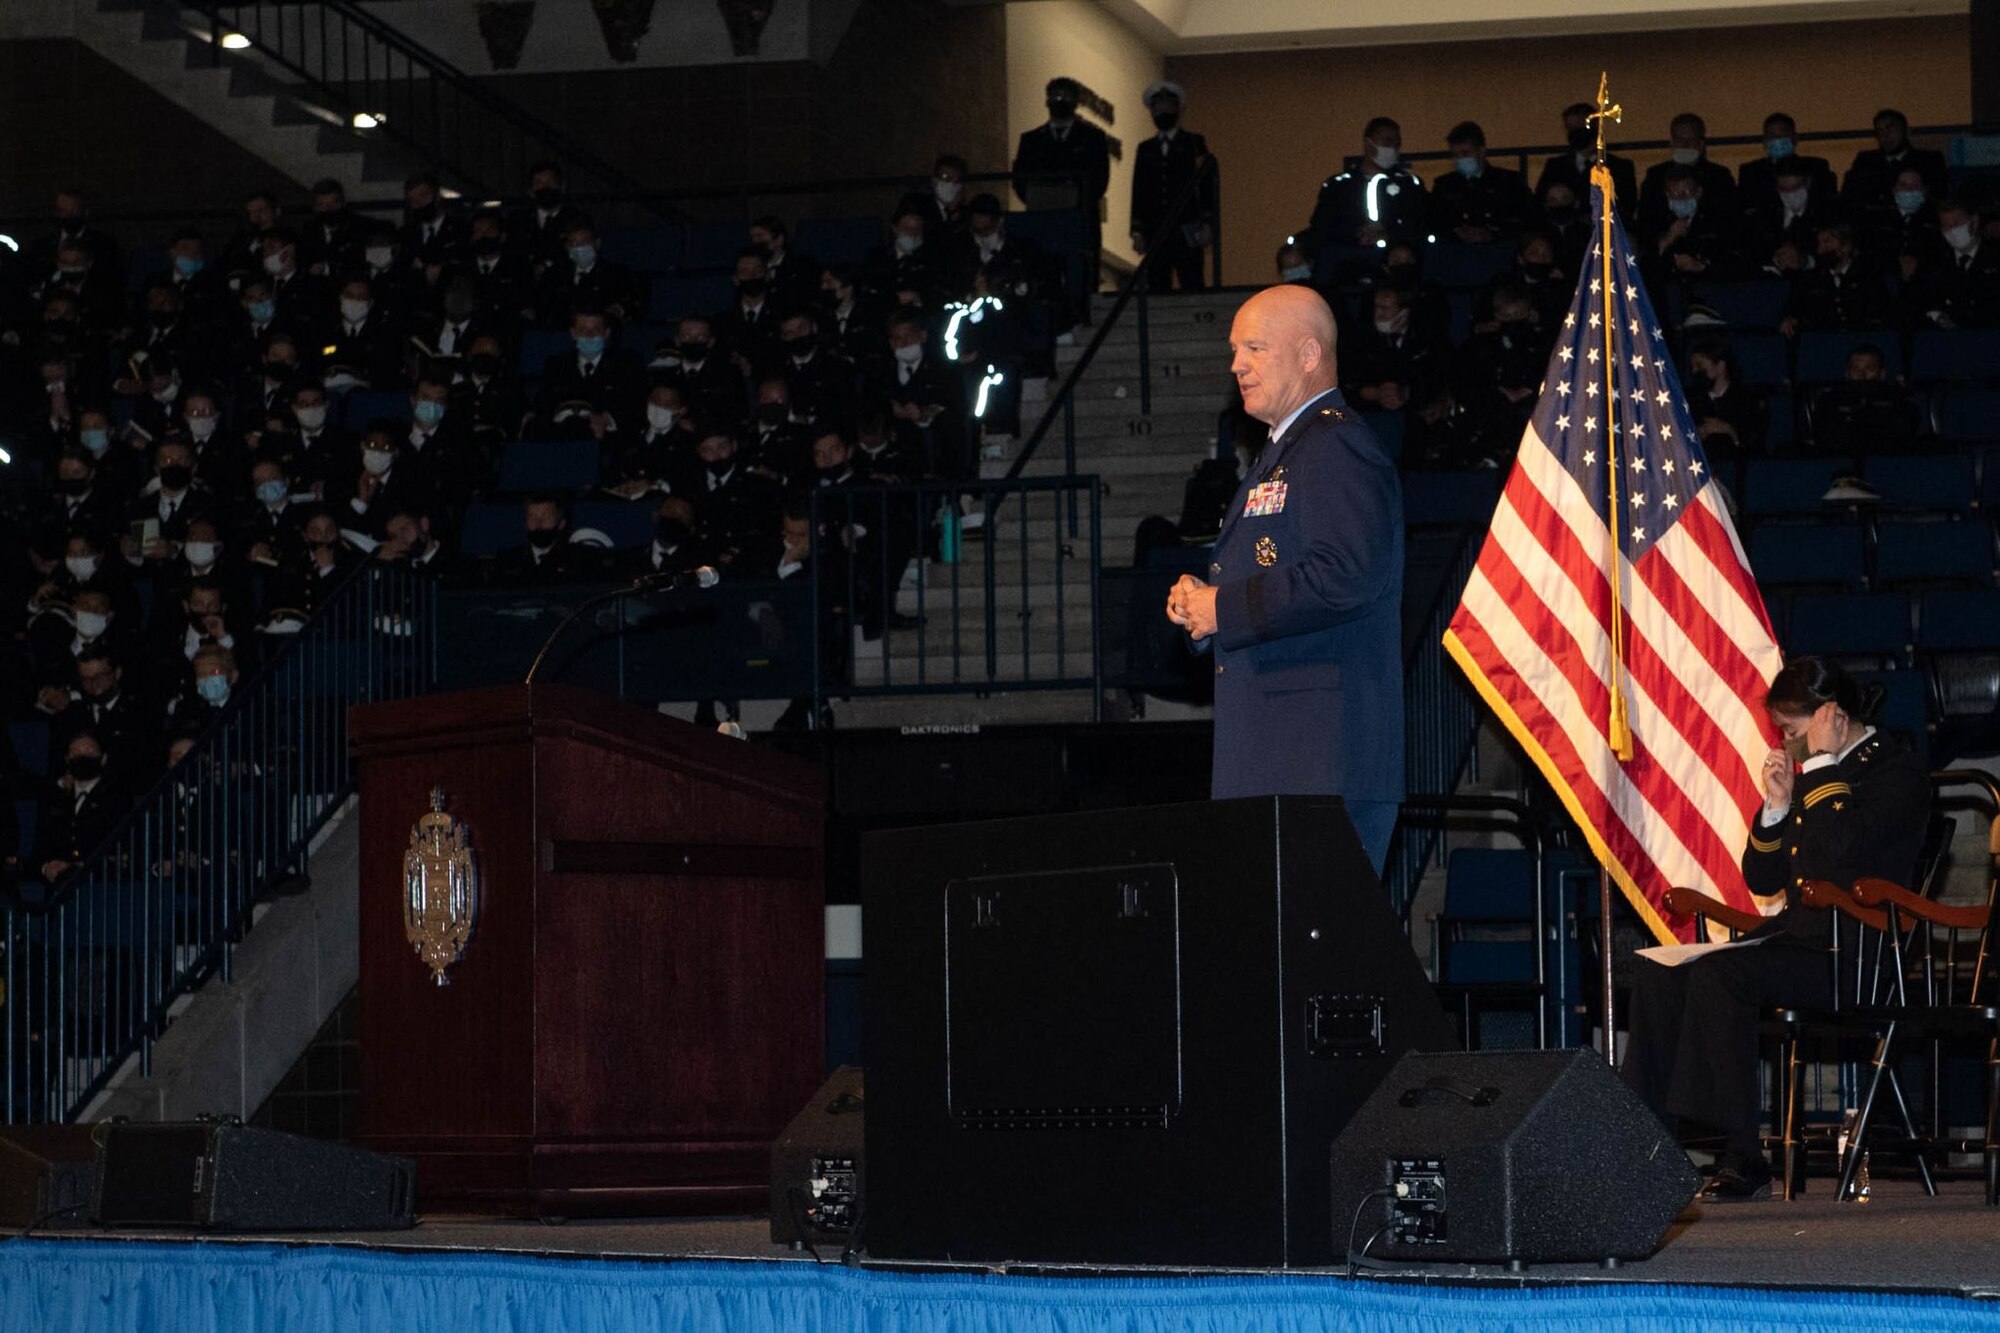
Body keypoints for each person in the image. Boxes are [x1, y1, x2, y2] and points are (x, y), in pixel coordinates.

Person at [1621, 657, 1928, 1202]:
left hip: (1855, 953)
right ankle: (1649, 1150)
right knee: (1657, 973)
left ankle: (1741, 1152)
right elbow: (1763, 876)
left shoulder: (1894, 771)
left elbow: (1839, 852)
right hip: (1800, 942)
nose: (1787, 742)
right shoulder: (1817, 773)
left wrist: (1826, 763)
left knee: (1722, 972)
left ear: (1828, 715)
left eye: (1791, 729)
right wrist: (1776, 806)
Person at [1164, 284, 1403, 873]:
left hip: (1319, 760)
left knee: (1322, 960)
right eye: (1235, 349)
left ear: (1308, 354)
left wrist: (1227, 608)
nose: (1236, 364)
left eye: (1254, 348)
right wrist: (1201, 606)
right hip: (1279, 758)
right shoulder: (1290, 449)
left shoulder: (1335, 444)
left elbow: (1345, 576)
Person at [1129, 81, 1215, 291]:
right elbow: (1139, 189)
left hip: (1187, 223)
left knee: (1191, 278)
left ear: (1178, 108)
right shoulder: (1146, 149)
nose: (1162, 111)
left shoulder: (1193, 142)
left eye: (1167, 105)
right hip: (1155, 225)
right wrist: (1137, 229)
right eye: (1157, 107)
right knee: (1157, 281)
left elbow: (1206, 184)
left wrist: (1207, 221)